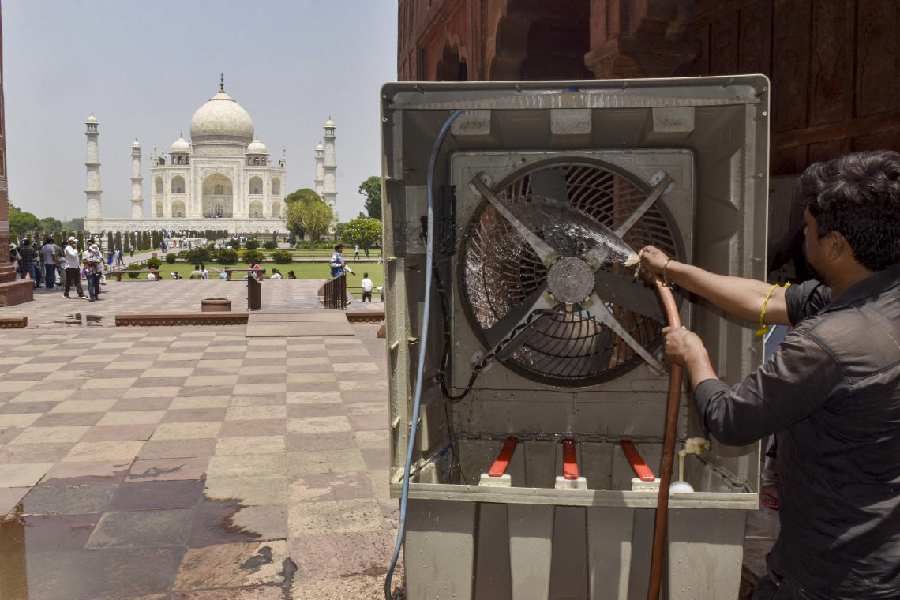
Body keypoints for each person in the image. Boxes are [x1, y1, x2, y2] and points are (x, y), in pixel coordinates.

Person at [638, 150, 900, 600]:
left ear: (836, 246)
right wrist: (671, 270)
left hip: (830, 575)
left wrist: (694, 354)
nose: (802, 234)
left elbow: (731, 420)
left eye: (809, 228)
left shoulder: (826, 344)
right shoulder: (869, 295)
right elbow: (763, 297)